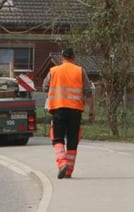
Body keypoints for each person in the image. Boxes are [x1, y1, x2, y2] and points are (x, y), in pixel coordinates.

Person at [42, 47, 93, 179]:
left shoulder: (53, 71)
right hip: (75, 111)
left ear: (62, 58)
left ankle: (62, 163)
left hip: (58, 109)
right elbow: (88, 92)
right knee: (72, 140)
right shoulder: (80, 71)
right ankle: (69, 171)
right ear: (73, 57)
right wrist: (92, 111)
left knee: (57, 138)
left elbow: (44, 87)